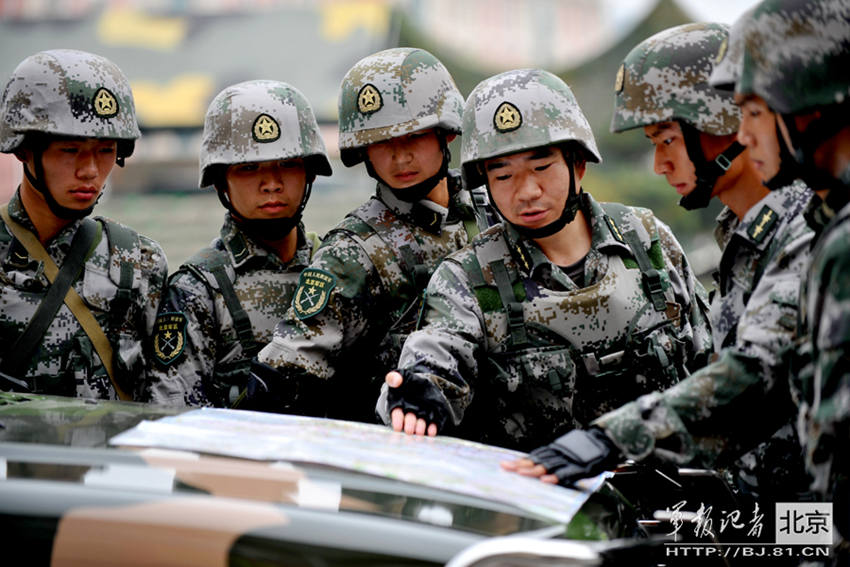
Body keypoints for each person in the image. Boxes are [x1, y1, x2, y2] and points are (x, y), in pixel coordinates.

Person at [504, 23, 815, 505]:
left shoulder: (807, 228)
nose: (659, 164)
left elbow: (757, 372)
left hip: (813, 526)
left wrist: (612, 439)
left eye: (667, 140)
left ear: (718, 121)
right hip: (763, 512)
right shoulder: (746, 231)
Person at [379, 68, 713, 452]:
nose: (527, 192)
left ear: (578, 164)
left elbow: (713, 363)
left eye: (542, 167)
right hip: (546, 500)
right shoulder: (468, 279)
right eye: (503, 176)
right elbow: (436, 354)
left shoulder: (646, 240)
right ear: (484, 183)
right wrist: (420, 390)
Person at [253, 48, 489, 421]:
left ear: (445, 133)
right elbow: (286, 373)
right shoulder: (351, 252)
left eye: (412, 136)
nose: (399, 158)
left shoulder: (492, 213)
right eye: (382, 143)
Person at [144, 80, 331, 407]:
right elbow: (175, 416)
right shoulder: (197, 290)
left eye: (287, 164)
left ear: (310, 172)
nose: (272, 183)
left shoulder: (336, 268)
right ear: (221, 180)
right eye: (249, 167)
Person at [0, 49, 168, 400]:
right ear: (23, 149)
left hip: (109, 454)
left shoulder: (141, 262)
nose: (90, 170)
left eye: (105, 150)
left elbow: (167, 394)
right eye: (70, 149)